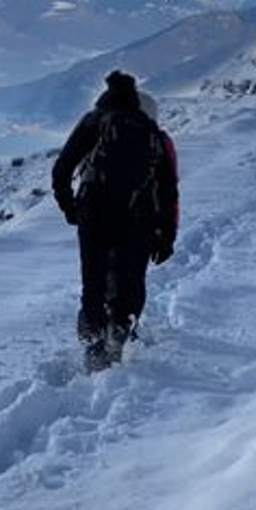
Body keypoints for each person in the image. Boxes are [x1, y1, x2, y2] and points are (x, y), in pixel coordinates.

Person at [51, 70, 179, 371]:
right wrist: (166, 236)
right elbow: (169, 191)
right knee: (131, 279)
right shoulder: (157, 137)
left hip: (93, 212)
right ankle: (120, 333)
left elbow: (61, 169)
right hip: (139, 217)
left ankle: (93, 342)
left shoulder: (94, 121)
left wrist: (71, 208)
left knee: (93, 279)